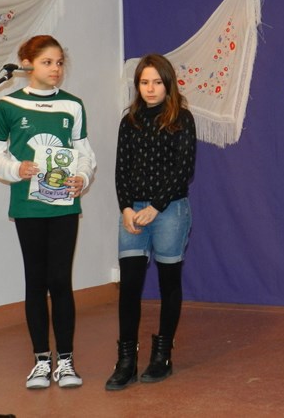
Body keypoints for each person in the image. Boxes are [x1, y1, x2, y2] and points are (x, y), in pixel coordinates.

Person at [0, 35, 97, 389]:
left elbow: (84, 154)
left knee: (60, 281)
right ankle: (40, 361)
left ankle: (66, 360)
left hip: (64, 207)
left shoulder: (73, 105)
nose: (56, 69)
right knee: (35, 281)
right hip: (27, 206)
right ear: (27, 63)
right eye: (48, 62)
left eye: (60, 62)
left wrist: (81, 177)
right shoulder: (7, 105)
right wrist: (16, 169)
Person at [105, 53, 196, 391]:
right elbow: (121, 169)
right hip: (133, 212)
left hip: (169, 211)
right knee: (129, 285)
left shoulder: (182, 119)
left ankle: (162, 356)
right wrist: (127, 208)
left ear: (168, 84)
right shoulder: (129, 121)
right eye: (144, 82)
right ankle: (126, 360)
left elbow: (183, 169)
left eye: (157, 82)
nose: (151, 88)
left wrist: (156, 207)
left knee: (169, 283)